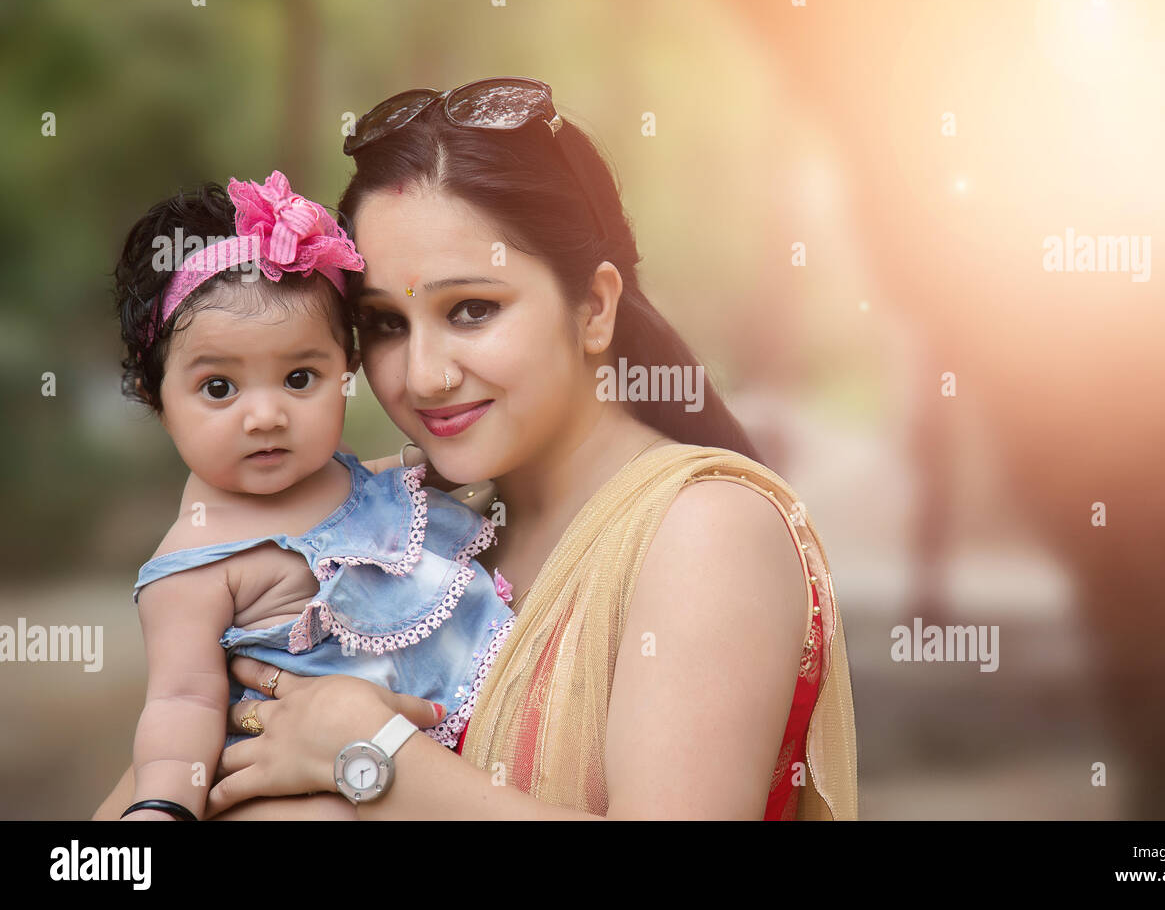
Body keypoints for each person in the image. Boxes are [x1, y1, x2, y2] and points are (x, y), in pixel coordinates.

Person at [96, 77, 857, 820]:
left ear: (593, 308)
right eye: (387, 324)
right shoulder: (390, 523)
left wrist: (366, 750)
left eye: (471, 310)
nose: (425, 376)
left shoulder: (705, 532)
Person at [105, 171, 515, 821]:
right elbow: (183, 704)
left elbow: (392, 491)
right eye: (219, 388)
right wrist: (160, 807)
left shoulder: (342, 476)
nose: (266, 416)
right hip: (316, 779)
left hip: (470, 731)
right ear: (159, 401)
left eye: (300, 378)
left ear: (344, 372)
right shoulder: (191, 565)